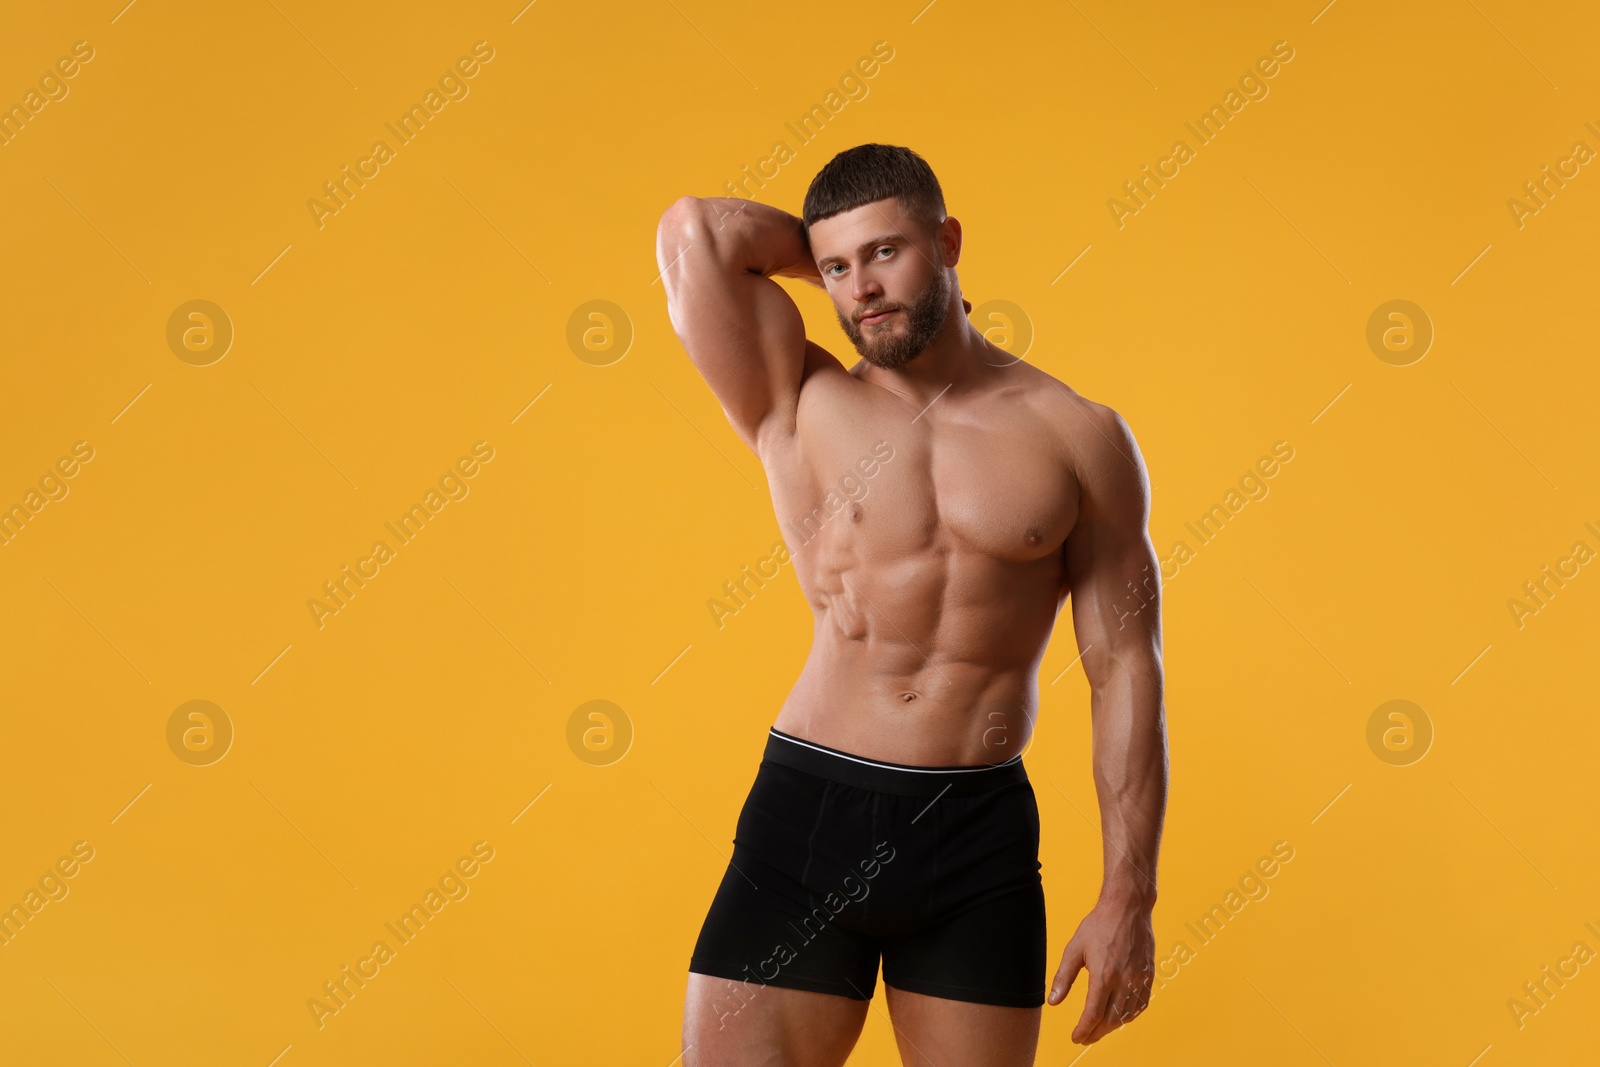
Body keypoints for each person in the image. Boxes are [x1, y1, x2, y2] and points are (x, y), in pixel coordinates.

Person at [655, 143, 1167, 1067]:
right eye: (838, 269)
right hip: (809, 816)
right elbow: (694, 232)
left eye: (886, 253)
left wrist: (1129, 893)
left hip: (973, 842)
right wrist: (849, 260)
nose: (862, 290)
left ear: (949, 240)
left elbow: (1124, 665)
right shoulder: (796, 397)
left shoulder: (1079, 436)